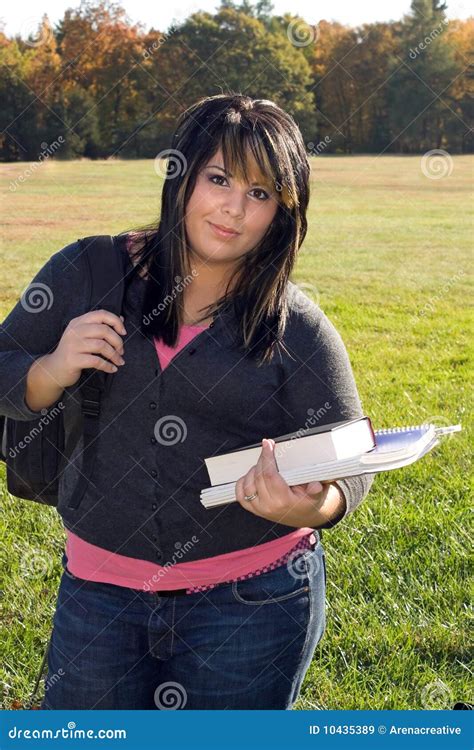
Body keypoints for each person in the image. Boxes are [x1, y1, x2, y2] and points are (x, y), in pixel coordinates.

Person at [0, 93, 374, 710]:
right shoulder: (88, 272)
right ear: (181, 177)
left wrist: (312, 506)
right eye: (219, 178)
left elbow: (351, 458)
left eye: (260, 193)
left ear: (282, 211)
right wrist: (50, 369)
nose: (233, 208)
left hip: (253, 604)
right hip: (99, 596)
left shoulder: (293, 324)